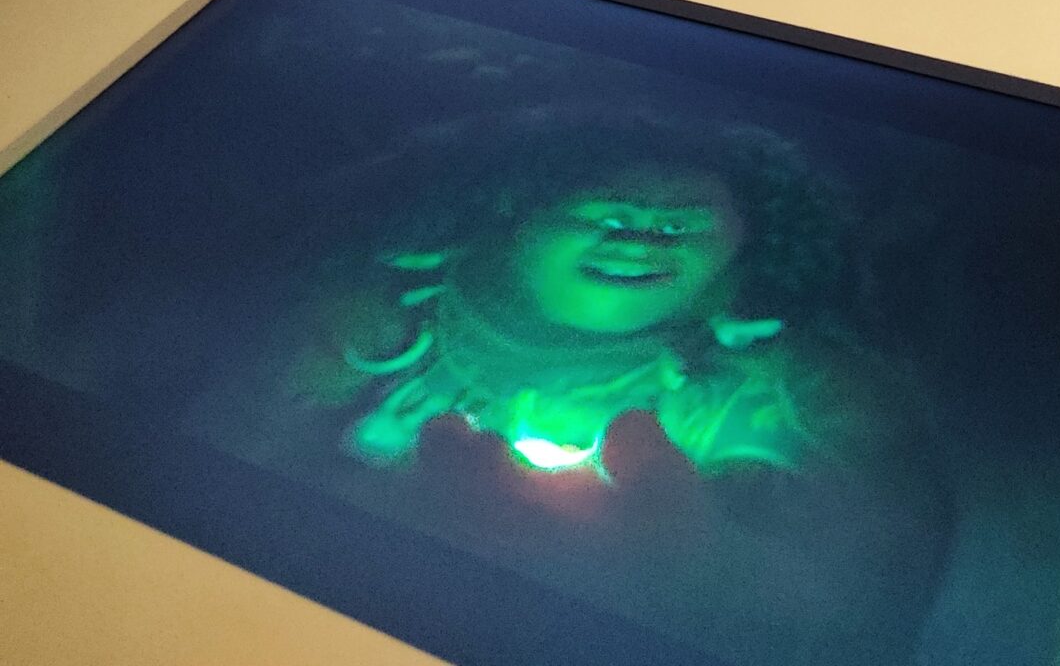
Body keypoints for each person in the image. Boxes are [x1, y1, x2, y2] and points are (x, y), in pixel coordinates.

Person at [276, 107, 949, 663]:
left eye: (682, 225)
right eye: (607, 214)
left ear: (746, 245)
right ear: (516, 213)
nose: (641, 240)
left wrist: (680, 555)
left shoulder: (781, 391)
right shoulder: (387, 328)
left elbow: (865, 588)